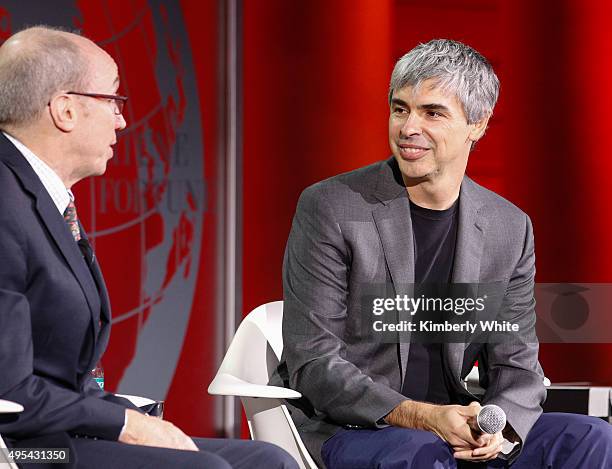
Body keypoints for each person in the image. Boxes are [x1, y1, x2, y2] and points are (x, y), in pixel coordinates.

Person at [276, 39, 612, 468]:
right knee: (423, 451)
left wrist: (500, 429)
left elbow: (517, 364)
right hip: (361, 427)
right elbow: (315, 359)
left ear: (478, 123)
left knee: (591, 438)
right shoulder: (332, 207)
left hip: (458, 424)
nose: (407, 127)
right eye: (400, 109)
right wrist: (424, 417)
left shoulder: (508, 228)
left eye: (432, 113)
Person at [0, 26, 297, 469]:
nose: (122, 120)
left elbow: (60, 369)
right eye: (113, 101)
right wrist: (125, 423)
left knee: (265, 460)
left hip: (58, 430)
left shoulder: (40, 195)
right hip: (26, 447)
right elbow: (9, 393)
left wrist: (121, 413)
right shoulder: (4, 201)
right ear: (65, 110)